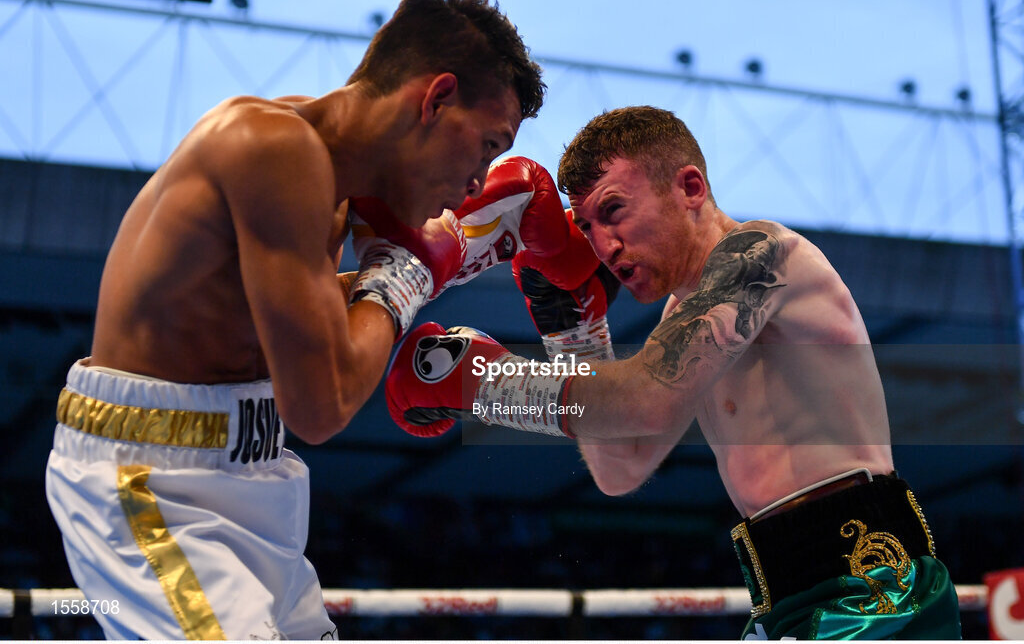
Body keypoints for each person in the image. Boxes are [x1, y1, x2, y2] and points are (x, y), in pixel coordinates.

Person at [44, 0, 544, 640]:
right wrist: (408, 274)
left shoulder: (333, 186)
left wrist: (413, 274)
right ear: (437, 97)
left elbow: (294, 324)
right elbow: (320, 403)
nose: (480, 182)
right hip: (149, 478)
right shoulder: (274, 148)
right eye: (487, 144)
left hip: (254, 471)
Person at [386, 107, 962, 639]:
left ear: (690, 188)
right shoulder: (679, 317)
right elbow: (620, 463)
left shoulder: (762, 254)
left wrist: (484, 386)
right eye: (585, 228)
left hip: (875, 587)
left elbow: (646, 400)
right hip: (787, 594)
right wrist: (573, 330)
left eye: (613, 211)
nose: (603, 246)